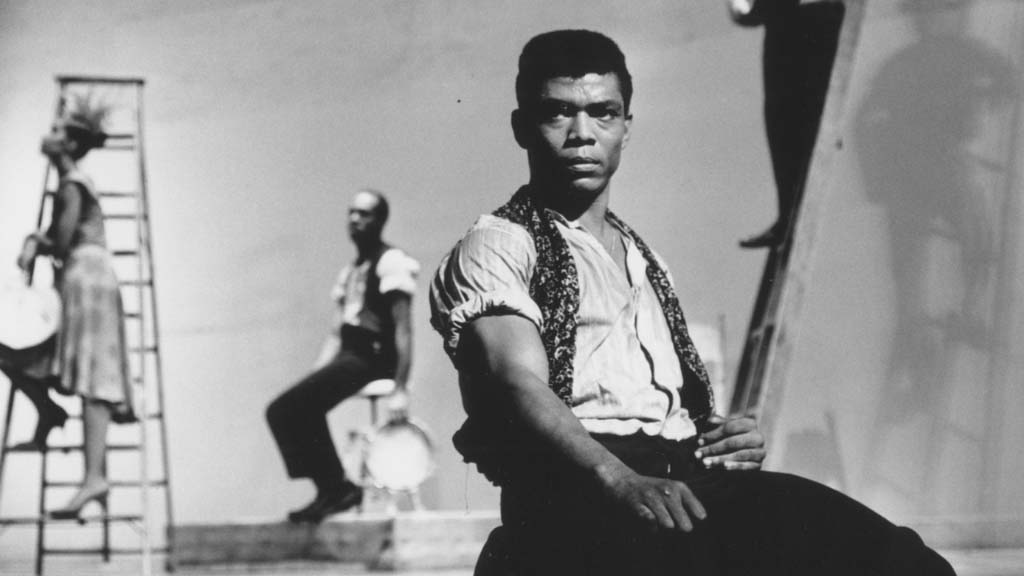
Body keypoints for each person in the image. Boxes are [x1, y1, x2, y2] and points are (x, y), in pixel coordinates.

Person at [429, 29, 956, 575]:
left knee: (903, 562)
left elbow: (663, 407)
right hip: (576, 496)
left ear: (626, 128)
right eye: (558, 113)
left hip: (680, 482)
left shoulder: (645, 258)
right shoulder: (501, 241)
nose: (582, 135)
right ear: (522, 127)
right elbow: (518, 387)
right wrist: (623, 481)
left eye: (603, 113)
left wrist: (728, 437)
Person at [15, 95, 136, 520]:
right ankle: (50, 413)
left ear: (68, 143)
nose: (47, 137)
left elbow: (61, 242)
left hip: (88, 282)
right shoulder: (71, 182)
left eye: (57, 131)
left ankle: (94, 477)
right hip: (80, 282)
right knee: (20, 354)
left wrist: (34, 242)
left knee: (93, 379)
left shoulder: (72, 184)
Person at [266, 189, 419, 524]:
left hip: (374, 357)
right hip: (348, 356)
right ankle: (330, 488)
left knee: (297, 408)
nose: (355, 219)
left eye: (364, 213)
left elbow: (403, 329)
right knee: (282, 410)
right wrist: (316, 377)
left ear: (380, 220)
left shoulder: (391, 262)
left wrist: (400, 387)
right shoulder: (351, 271)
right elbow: (336, 333)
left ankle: (337, 489)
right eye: (352, 212)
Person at [733, 0, 845, 249]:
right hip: (797, 21)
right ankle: (788, 216)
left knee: (787, 124)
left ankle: (789, 217)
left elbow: (748, 15)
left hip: (798, 22)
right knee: (786, 124)